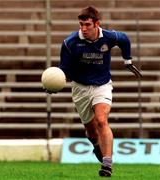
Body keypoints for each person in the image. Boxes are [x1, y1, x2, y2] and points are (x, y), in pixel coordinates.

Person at [58, 6, 141, 177]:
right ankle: (96, 146)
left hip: (102, 85)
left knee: (102, 120)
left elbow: (124, 39)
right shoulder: (70, 42)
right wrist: (55, 84)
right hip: (80, 87)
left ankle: (107, 164)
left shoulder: (109, 37)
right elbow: (64, 71)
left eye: (88, 25)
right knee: (90, 130)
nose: (84, 28)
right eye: (81, 24)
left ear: (97, 24)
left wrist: (127, 60)